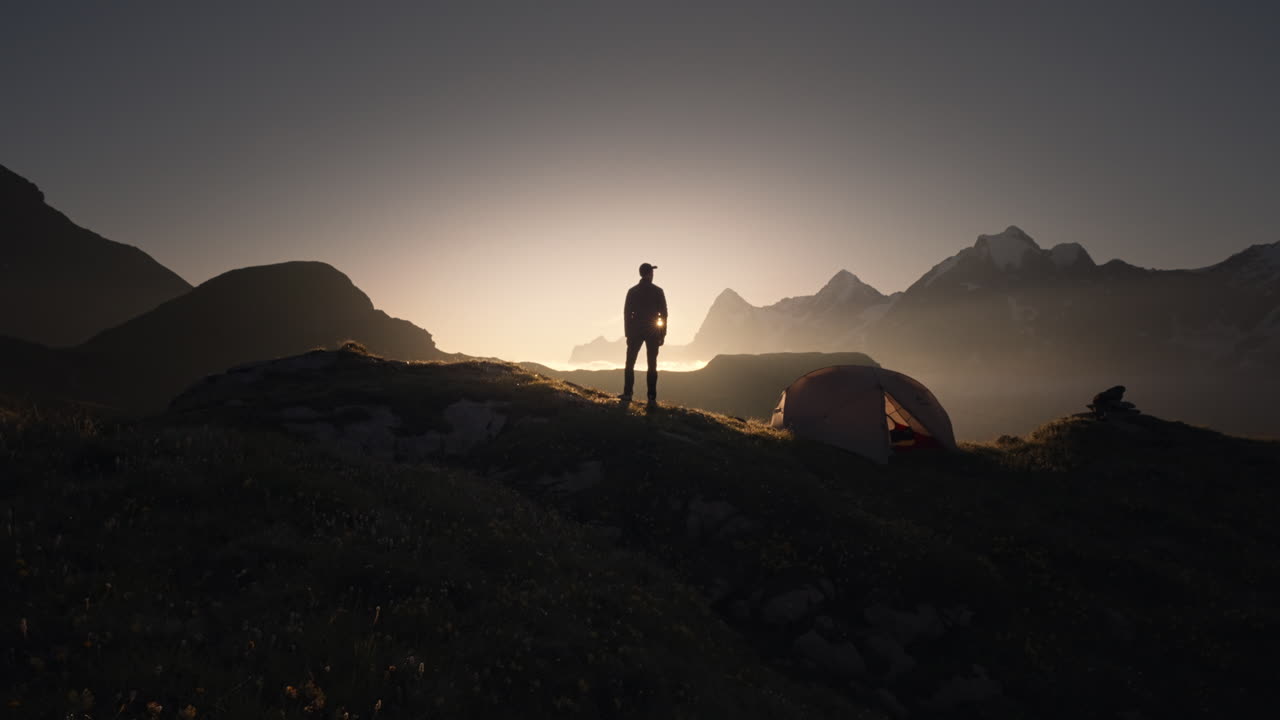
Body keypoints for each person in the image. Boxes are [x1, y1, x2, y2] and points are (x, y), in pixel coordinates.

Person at [621, 262, 667, 406]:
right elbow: (664, 314)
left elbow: (627, 314)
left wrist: (628, 333)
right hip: (653, 331)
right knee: (652, 365)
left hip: (635, 331)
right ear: (649, 274)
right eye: (652, 272)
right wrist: (662, 333)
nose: (653, 275)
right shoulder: (658, 291)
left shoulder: (632, 291)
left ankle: (628, 394)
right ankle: (651, 398)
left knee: (630, 363)